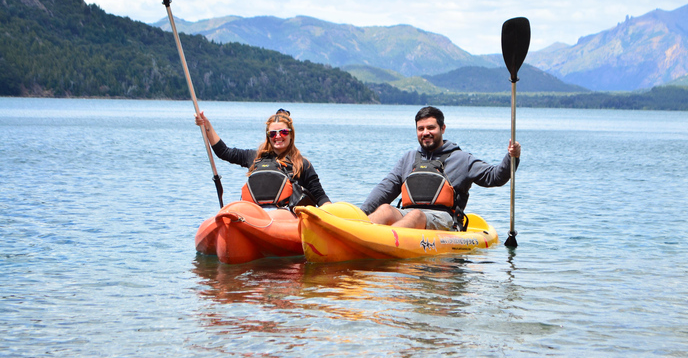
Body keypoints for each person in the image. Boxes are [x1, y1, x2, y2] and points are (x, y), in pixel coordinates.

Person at [361, 106, 520, 231]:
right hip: (408, 215)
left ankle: (385, 242)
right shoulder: (408, 158)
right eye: (420, 129)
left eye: (431, 127)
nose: (425, 133)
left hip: (444, 219)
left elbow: (495, 177)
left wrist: (511, 157)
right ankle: (360, 234)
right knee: (385, 210)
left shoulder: (462, 159)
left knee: (417, 215)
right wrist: (359, 216)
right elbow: (384, 190)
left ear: (442, 128)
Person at [195, 108, 331, 218]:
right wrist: (206, 125)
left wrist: (333, 214)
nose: (278, 136)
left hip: (285, 219)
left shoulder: (302, 164)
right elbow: (224, 152)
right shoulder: (255, 157)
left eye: (283, 132)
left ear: (291, 135)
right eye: (273, 133)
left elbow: (320, 197)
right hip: (255, 217)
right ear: (268, 136)